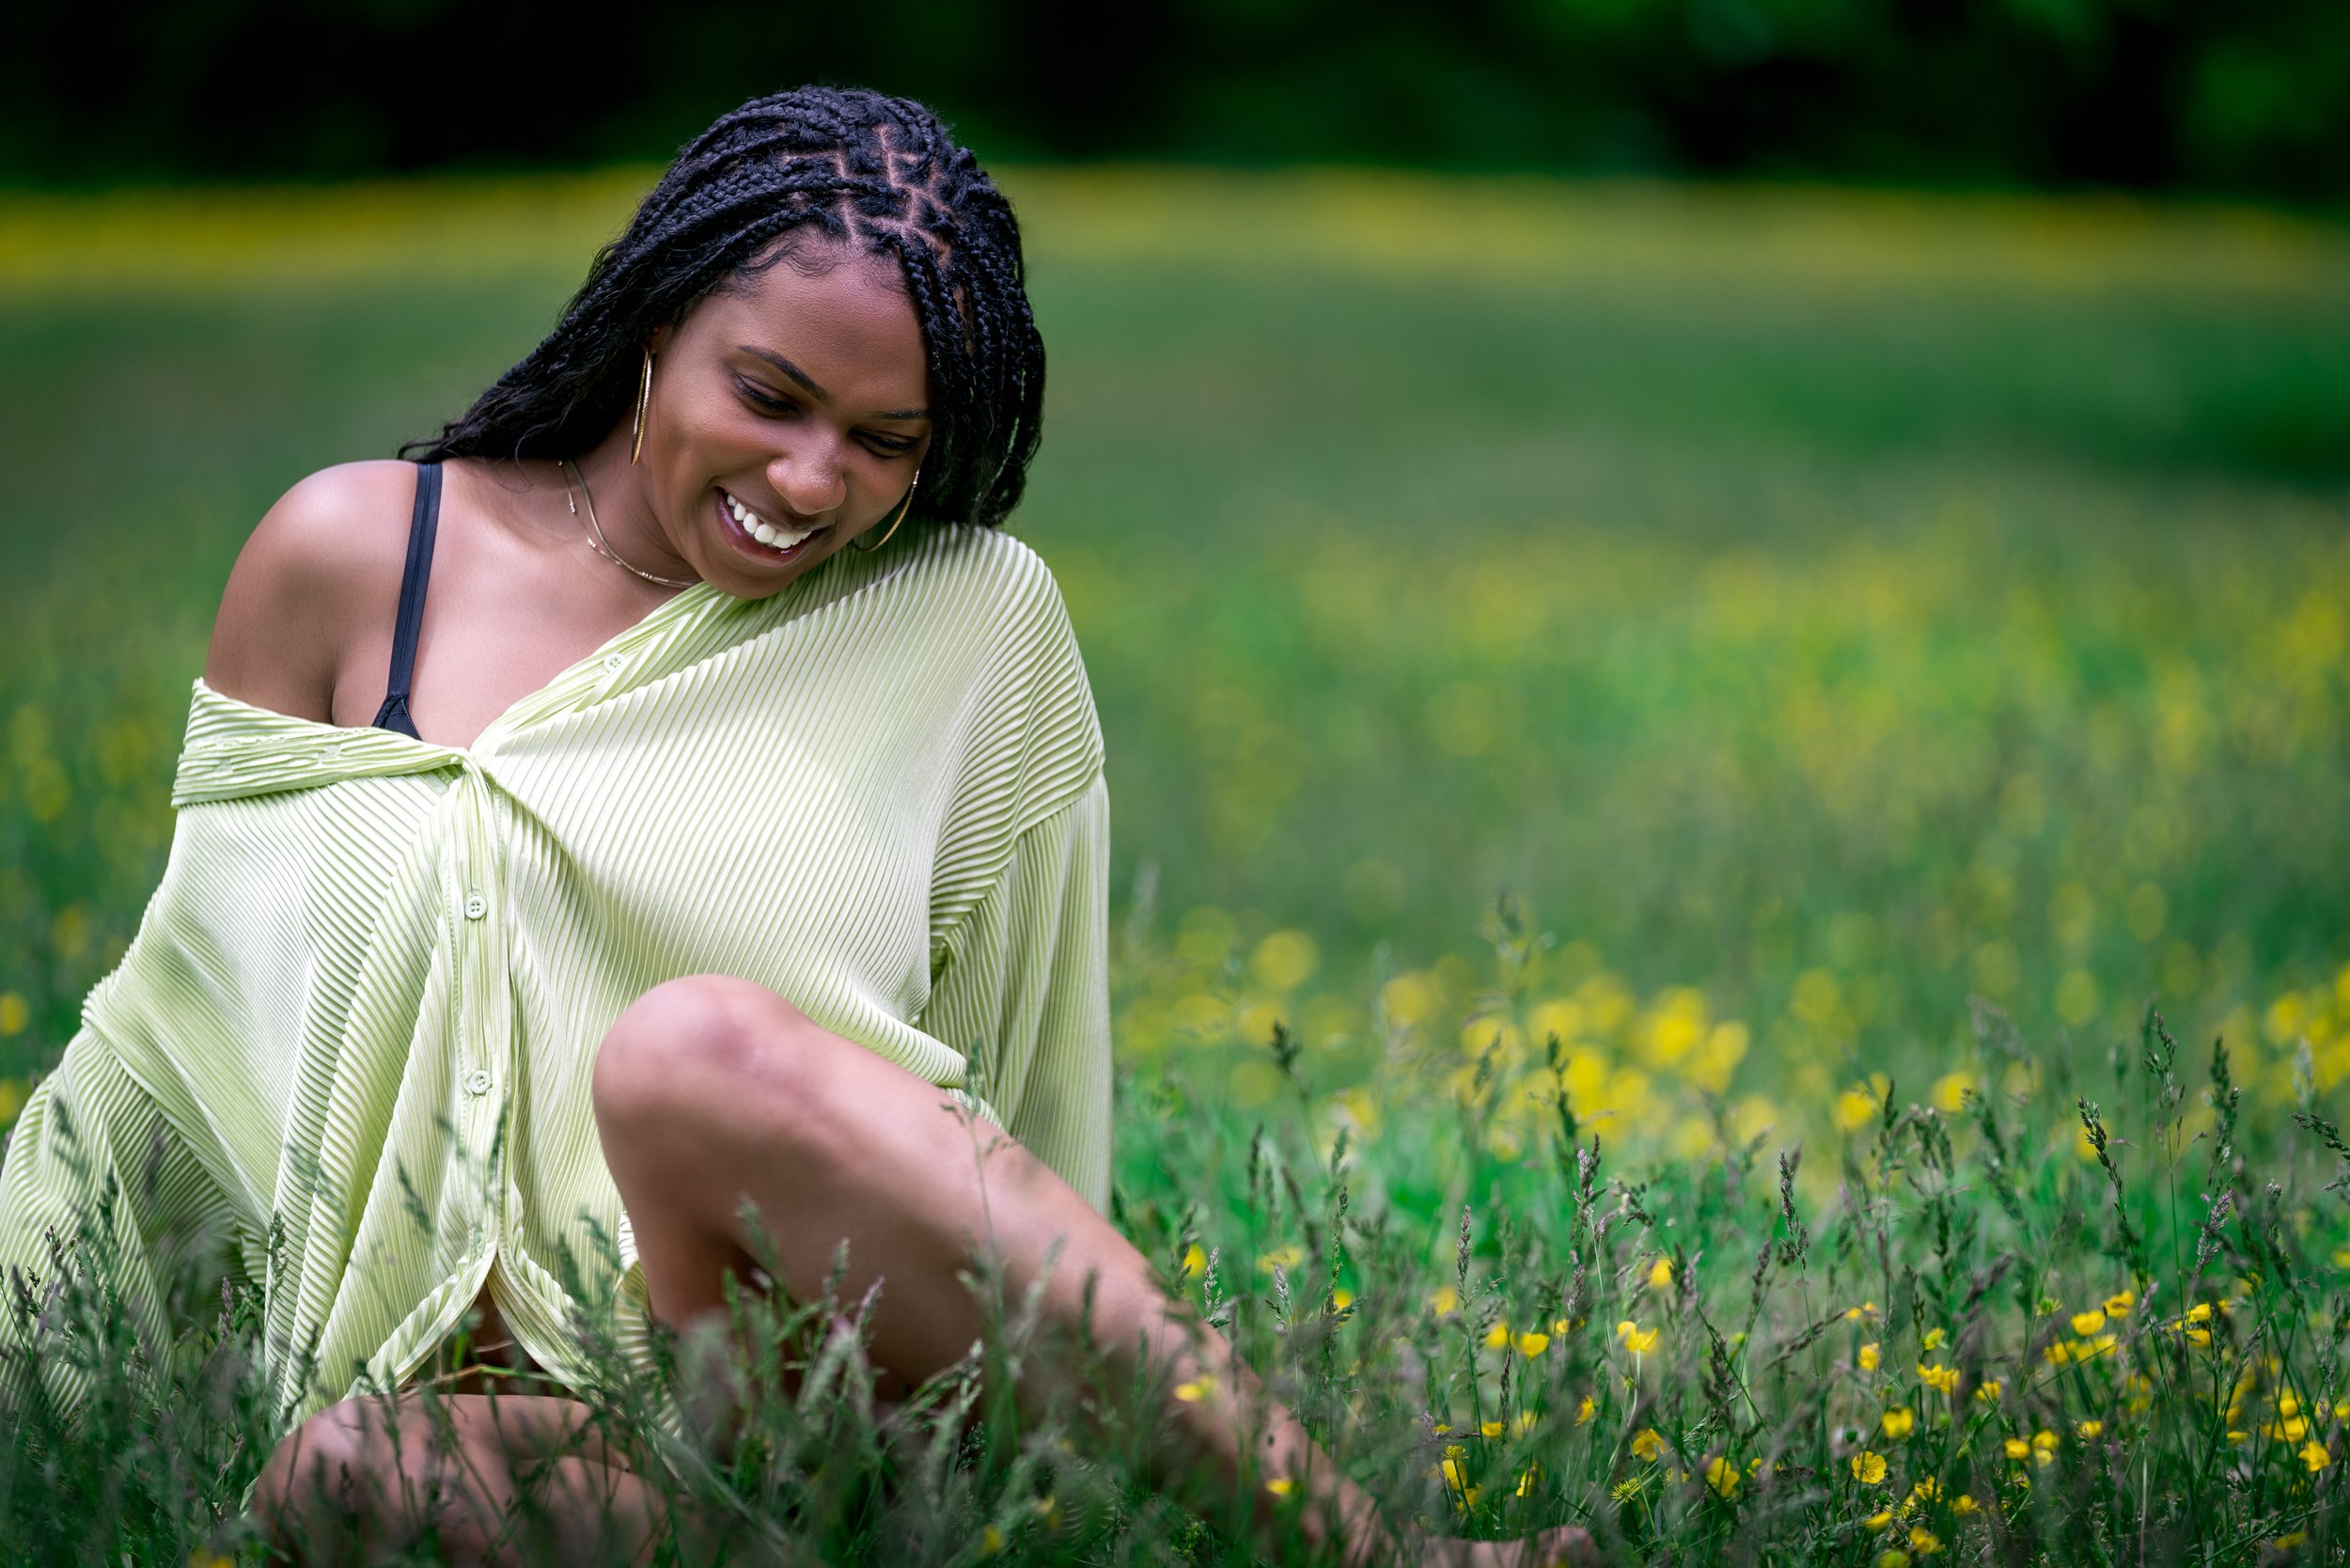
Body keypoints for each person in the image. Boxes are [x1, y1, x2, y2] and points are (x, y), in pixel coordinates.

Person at [0, 87, 1593, 1567]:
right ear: (653, 322)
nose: (810, 479)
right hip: (540, 1448)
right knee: (335, 1482)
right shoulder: (360, 556)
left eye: (884, 441)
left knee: (695, 1054)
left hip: (806, 1378)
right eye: (768, 395)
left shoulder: (969, 621)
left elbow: (1012, 1114)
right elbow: (186, 1022)